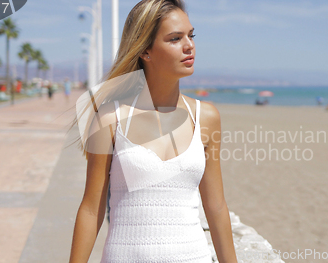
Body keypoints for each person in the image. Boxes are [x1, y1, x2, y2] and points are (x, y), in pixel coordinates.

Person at [68, 1, 238, 262]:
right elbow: (91, 209)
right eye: (174, 38)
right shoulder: (110, 118)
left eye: (190, 35)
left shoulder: (206, 117)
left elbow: (216, 207)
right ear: (145, 50)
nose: (189, 45)